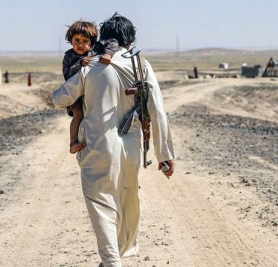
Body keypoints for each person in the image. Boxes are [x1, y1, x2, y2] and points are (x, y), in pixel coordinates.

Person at [52, 13, 175, 267]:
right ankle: (116, 256)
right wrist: (165, 156)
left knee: (101, 203)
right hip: (131, 146)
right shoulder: (141, 64)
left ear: (103, 37)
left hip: (97, 145)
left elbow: (60, 99)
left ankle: (111, 262)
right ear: (129, 41)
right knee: (126, 199)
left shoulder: (90, 65)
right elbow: (158, 111)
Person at [62, 20, 119, 154]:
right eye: (76, 40)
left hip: (92, 93)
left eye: (85, 41)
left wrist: (108, 54)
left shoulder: (96, 49)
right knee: (78, 114)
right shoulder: (69, 57)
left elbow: (113, 42)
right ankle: (73, 143)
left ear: (92, 42)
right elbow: (67, 76)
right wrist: (79, 65)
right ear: (71, 41)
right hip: (75, 94)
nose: (80, 44)